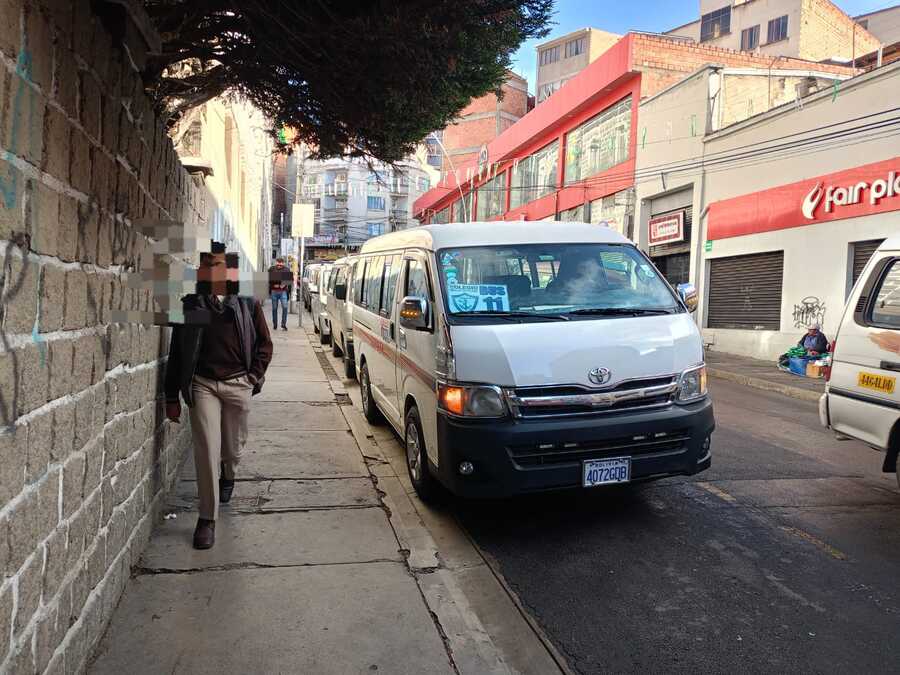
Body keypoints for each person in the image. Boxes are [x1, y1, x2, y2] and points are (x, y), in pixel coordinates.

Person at [164, 243, 273, 550]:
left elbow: (265, 344)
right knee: (206, 450)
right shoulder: (192, 305)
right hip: (203, 384)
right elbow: (177, 353)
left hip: (238, 383)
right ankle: (207, 518)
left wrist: (252, 378)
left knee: (232, 449)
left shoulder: (246, 303)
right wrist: (171, 395)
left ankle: (229, 474)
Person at [268, 257, 293, 330]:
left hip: (283, 292)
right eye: (278, 263)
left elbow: (290, 280)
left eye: (281, 263)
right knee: (274, 308)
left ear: (283, 263)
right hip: (274, 291)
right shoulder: (272, 269)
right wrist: (273, 285)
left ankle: (283, 324)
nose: (279, 264)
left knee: (285, 308)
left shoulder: (286, 270)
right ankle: (275, 324)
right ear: (276, 262)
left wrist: (284, 284)